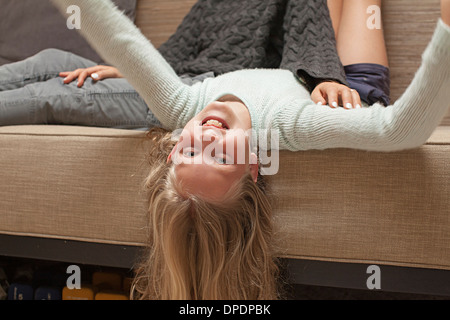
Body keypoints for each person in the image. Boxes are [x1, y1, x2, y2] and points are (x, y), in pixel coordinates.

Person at [52, 0, 450, 300]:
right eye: (222, 158)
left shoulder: (179, 107)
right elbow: (401, 131)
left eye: (190, 154)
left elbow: (116, 38)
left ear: (172, 148)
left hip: (300, 66)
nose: (205, 140)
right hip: (347, 91)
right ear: (255, 167)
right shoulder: (287, 125)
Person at [1, 0, 374, 129]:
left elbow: (310, 32)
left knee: (52, 94)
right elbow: (176, 48)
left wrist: (322, 78)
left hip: (198, 91)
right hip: (173, 75)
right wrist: (126, 69)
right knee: (52, 61)